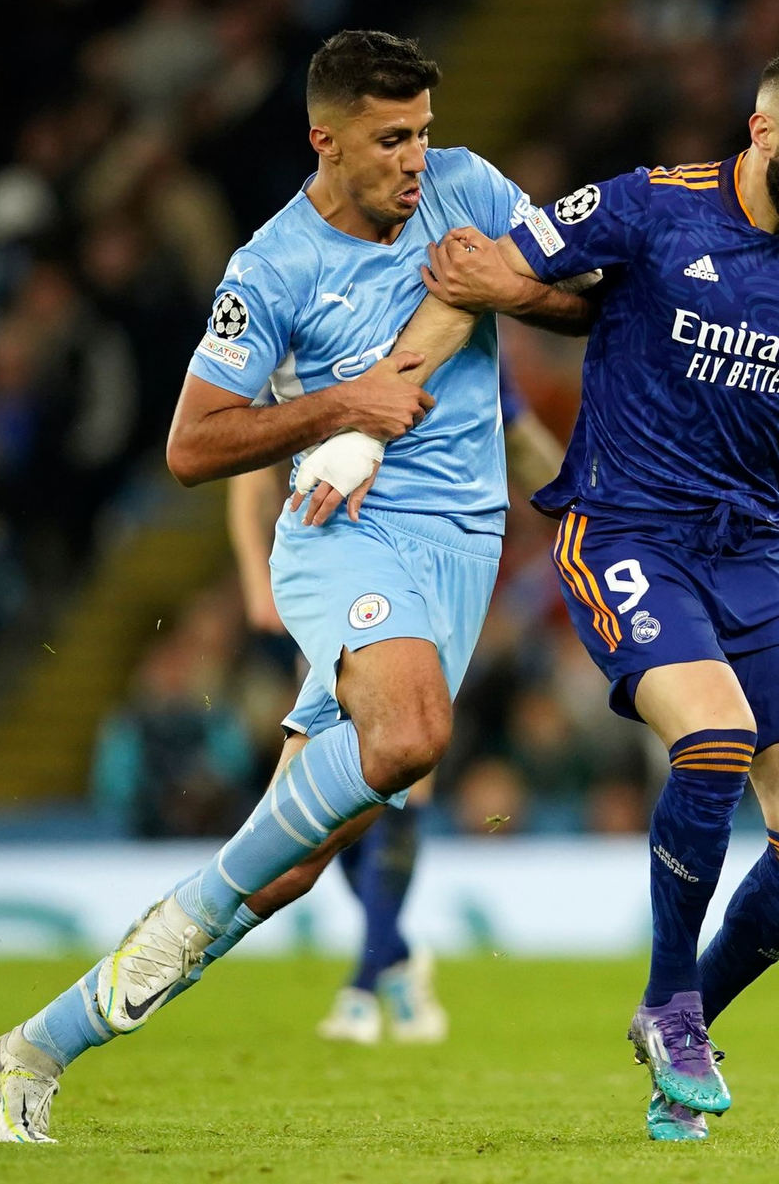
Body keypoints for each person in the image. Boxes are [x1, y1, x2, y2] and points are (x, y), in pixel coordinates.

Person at [0, 29, 594, 1142]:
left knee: (290, 865)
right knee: (411, 735)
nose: (417, 159)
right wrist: (341, 409)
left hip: (462, 550)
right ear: (327, 140)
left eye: (424, 134)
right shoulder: (270, 267)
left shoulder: (468, 187)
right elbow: (194, 445)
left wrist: (505, 282)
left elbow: (584, 298)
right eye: (391, 140)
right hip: (340, 535)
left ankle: (37, 1045)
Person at [420, 45, 779, 1142]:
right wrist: (391, 396)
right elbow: (491, 271)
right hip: (626, 527)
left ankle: (672, 1019)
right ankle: (677, 1006)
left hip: (751, 549)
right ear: (763, 133)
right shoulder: (648, 206)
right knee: (716, 737)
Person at [226, 361, 563, 1045]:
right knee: (339, 791)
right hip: (333, 571)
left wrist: (603, 510)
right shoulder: (315, 334)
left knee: (401, 771)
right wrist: (255, 578)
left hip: (436, 578)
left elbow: (523, 442)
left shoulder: (463, 343)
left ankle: (361, 985)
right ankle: (398, 957)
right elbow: (248, 466)